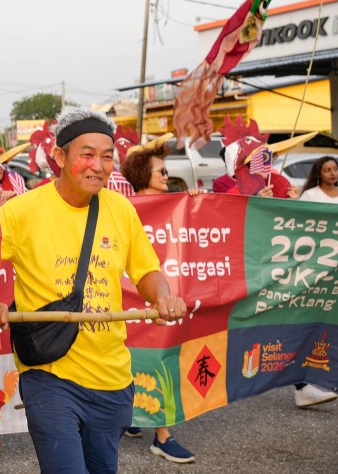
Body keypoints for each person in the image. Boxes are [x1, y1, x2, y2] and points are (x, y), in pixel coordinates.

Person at [0, 108, 186, 474]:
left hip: (113, 378)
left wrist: (162, 295)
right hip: (50, 374)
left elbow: (146, 268)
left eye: (106, 156)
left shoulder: (121, 209)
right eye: (87, 154)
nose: (98, 166)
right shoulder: (21, 211)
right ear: (59, 157)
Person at [119, 145, 199, 464]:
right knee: (139, 360)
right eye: (162, 171)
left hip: (162, 294)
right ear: (143, 176)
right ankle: (158, 435)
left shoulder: (175, 204)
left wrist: (196, 203)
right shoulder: (121, 208)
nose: (168, 176)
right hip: (128, 297)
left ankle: (154, 430)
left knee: (158, 357)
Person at [292, 155, 338, 408]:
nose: (332, 173)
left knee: (329, 324)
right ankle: (302, 384)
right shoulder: (309, 196)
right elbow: (300, 227)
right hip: (313, 268)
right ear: (319, 173)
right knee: (306, 322)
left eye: (335, 169)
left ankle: (310, 381)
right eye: (327, 169)